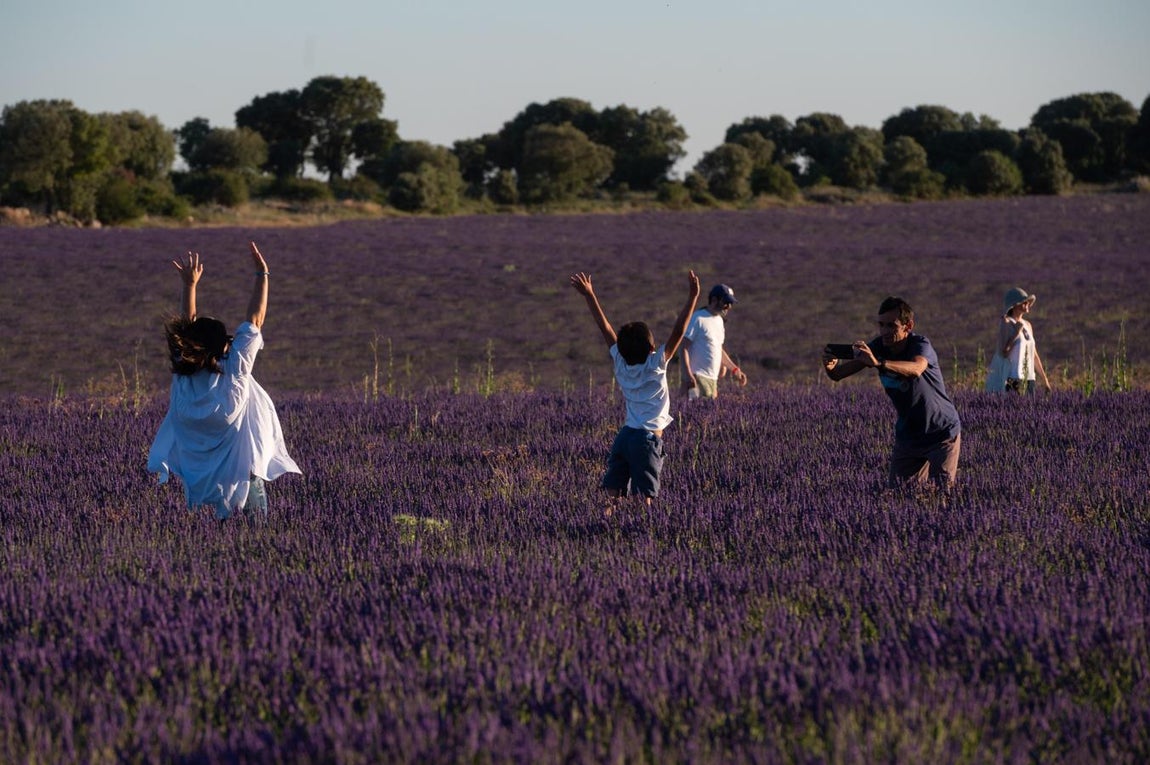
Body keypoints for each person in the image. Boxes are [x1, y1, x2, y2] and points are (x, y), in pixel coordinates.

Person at [147, 241, 301, 521]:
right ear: (224, 344)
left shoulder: (183, 377)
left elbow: (186, 331)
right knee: (256, 535)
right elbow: (256, 320)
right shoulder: (235, 373)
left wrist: (189, 286)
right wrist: (262, 274)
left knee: (203, 534)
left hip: (198, 481)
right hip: (243, 476)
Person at [570, 269, 700, 507]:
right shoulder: (656, 364)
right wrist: (693, 296)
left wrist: (589, 295)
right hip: (646, 440)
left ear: (621, 350)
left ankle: (601, 524)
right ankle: (642, 528)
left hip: (625, 436)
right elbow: (679, 332)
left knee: (613, 496)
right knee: (644, 500)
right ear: (651, 348)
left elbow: (605, 328)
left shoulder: (620, 362)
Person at [821, 296, 961, 490]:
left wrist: (879, 363)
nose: (884, 332)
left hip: (940, 432)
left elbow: (916, 368)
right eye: (881, 325)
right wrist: (830, 367)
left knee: (943, 492)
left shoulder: (920, 344)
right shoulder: (878, 347)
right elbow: (838, 375)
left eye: (891, 326)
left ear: (908, 326)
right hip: (908, 436)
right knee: (898, 495)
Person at [681, 283, 748, 400]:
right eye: (726, 302)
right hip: (696, 378)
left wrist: (734, 369)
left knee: (708, 411)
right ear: (714, 300)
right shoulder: (698, 318)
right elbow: (683, 347)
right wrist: (688, 376)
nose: (729, 307)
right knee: (693, 410)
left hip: (712, 380)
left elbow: (718, 349)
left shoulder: (719, 321)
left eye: (731, 303)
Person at [988, 287, 1051, 394]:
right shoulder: (1006, 323)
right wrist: (1016, 333)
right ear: (1014, 305)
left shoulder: (1028, 325)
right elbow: (1003, 352)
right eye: (1024, 302)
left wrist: (1045, 381)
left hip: (1030, 378)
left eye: (1028, 302)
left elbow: (1034, 355)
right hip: (1014, 378)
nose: (1027, 304)